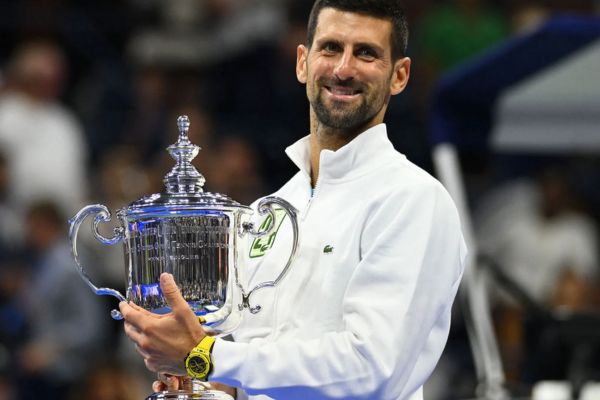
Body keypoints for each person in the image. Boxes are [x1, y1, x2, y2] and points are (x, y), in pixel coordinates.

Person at [120, 1, 466, 399]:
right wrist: (201, 383)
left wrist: (206, 355)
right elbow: (253, 371)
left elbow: (371, 368)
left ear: (399, 76)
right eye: (331, 48)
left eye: (366, 53)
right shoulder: (269, 210)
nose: (344, 69)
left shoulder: (413, 199)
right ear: (303, 62)